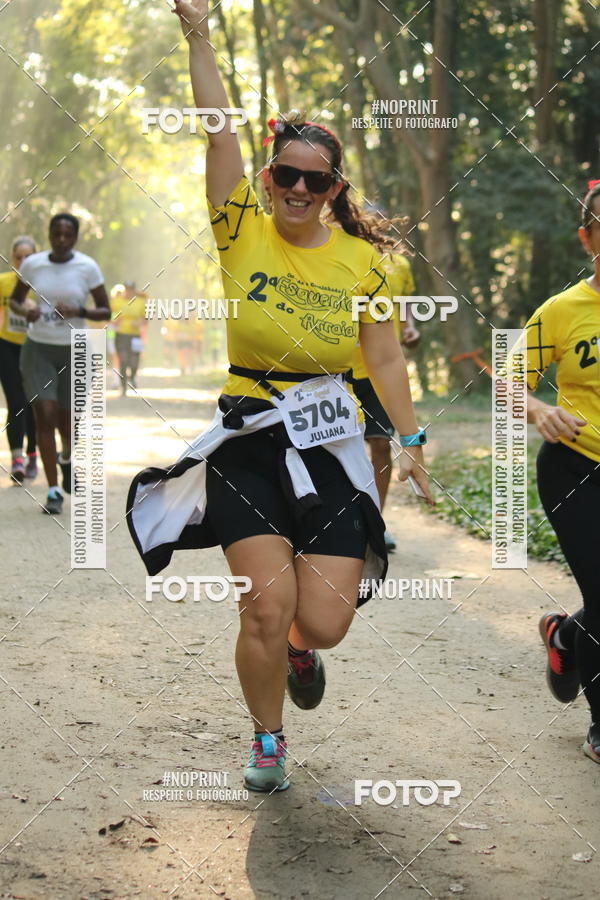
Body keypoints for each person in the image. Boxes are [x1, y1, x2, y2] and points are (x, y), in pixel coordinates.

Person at [129, 0, 433, 794]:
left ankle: (300, 651)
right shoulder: (239, 228)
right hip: (249, 437)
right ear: (270, 179)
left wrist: (410, 438)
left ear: (333, 189)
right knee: (264, 607)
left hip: (328, 436)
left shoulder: (368, 267)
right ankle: (268, 740)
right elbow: (219, 130)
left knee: (322, 621)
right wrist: (198, 32)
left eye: (314, 179)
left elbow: (383, 357)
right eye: (285, 175)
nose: (297, 187)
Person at [529, 179, 600, 762]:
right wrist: (538, 408)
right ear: (587, 236)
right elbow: (509, 375)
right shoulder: (562, 310)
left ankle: (565, 634)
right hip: (575, 466)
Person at [10, 213, 110, 514]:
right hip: (38, 348)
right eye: (57, 234)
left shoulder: (87, 267)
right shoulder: (33, 264)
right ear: (50, 234)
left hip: (74, 351)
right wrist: (24, 311)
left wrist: (79, 309)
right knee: (45, 414)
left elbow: (105, 310)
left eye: (68, 235)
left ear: (76, 237)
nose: (62, 240)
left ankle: (67, 458)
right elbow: (15, 300)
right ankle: (53, 490)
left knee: (68, 421)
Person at [349, 251, 421, 550]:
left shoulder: (399, 265)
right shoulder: (341, 255)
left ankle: (375, 522)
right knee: (338, 447)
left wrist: (409, 327)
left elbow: (404, 306)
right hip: (340, 371)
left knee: (380, 444)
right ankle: (342, 520)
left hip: (380, 373)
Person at [0, 236, 38, 482]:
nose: (23, 261)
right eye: (18, 257)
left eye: (28, 257)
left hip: (36, 349)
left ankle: (33, 454)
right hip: (6, 346)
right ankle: (17, 459)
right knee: (15, 401)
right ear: (12, 258)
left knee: (34, 403)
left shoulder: (45, 285)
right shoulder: (3, 282)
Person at [111, 281, 147, 395]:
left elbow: (146, 318)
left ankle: (133, 377)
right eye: (127, 289)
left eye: (131, 289)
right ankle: (123, 386)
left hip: (136, 335)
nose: (129, 292)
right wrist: (114, 320)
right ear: (124, 290)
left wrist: (139, 323)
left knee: (135, 360)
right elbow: (108, 315)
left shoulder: (141, 302)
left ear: (134, 290)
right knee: (123, 359)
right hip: (121, 335)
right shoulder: (116, 302)